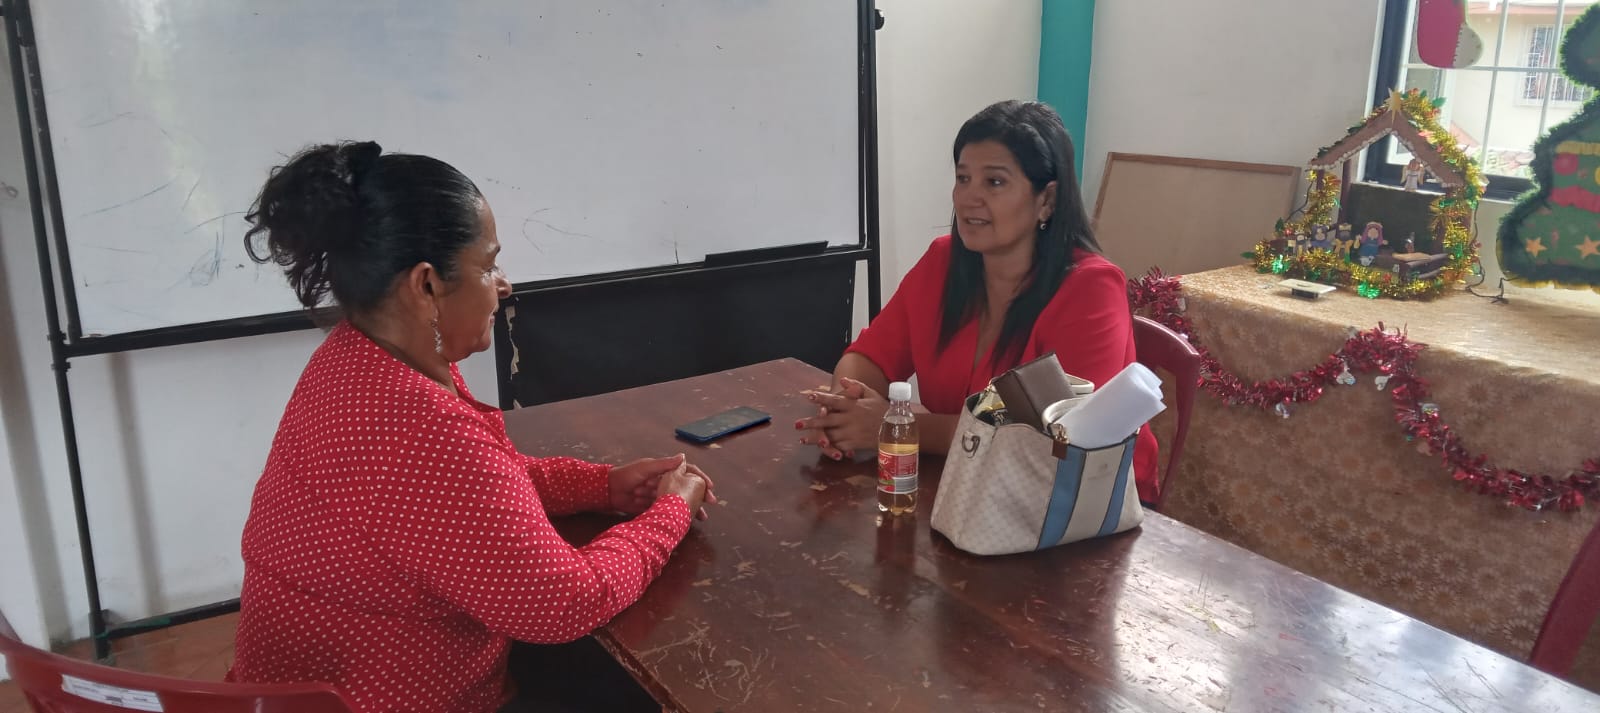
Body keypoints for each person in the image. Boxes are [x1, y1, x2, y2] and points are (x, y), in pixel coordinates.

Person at [226, 141, 714, 713]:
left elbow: (473, 494)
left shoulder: (353, 359)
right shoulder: (423, 429)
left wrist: (600, 486)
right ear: (426, 285)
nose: (503, 285)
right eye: (487, 265)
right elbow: (563, 604)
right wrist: (670, 513)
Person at [798, 100, 1160, 504]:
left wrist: (895, 427)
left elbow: (1056, 439)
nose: (969, 198)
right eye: (963, 178)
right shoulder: (943, 262)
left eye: (995, 182)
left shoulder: (1090, 288)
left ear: (1047, 199)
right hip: (966, 486)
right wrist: (846, 409)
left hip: (1082, 504)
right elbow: (870, 357)